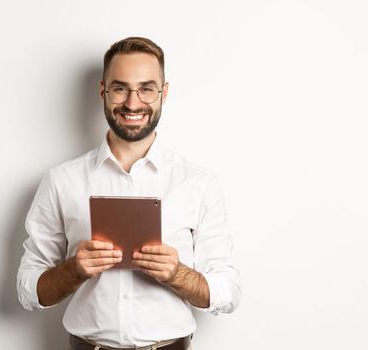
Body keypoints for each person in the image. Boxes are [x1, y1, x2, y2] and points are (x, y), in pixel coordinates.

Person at [16, 36, 241, 350]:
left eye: (147, 88)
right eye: (120, 88)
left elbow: (228, 292)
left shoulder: (198, 183)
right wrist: (74, 269)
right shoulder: (61, 181)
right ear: (102, 92)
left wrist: (177, 274)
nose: (133, 103)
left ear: (164, 93)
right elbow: (29, 291)